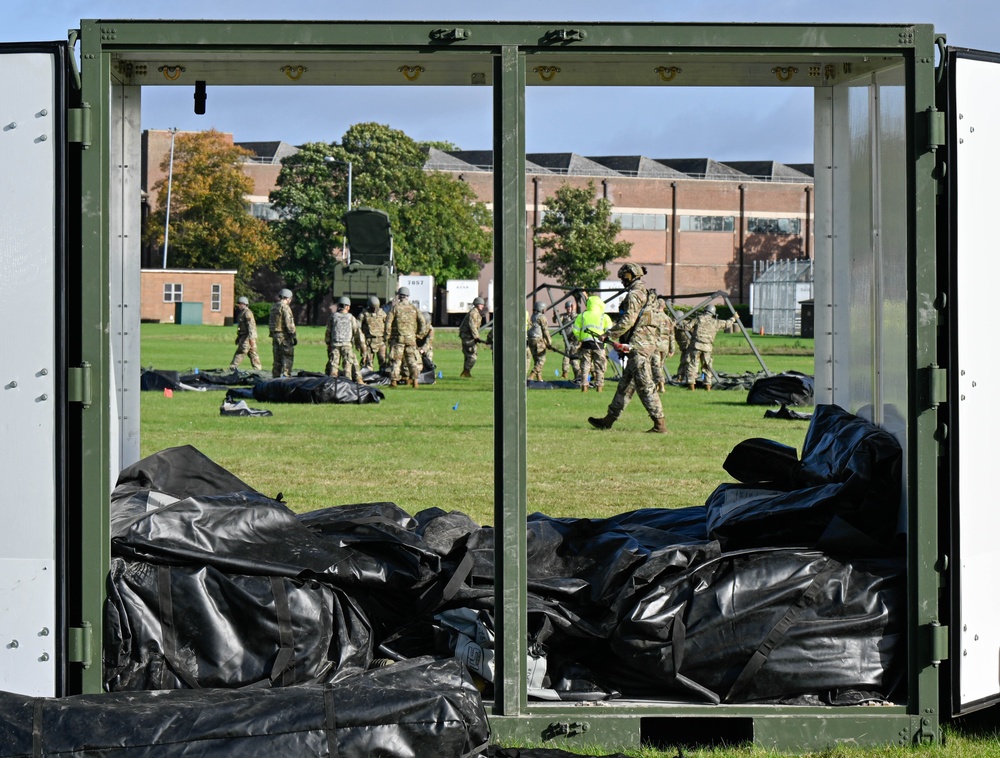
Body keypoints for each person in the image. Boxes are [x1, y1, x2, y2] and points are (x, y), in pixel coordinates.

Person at [587, 263, 667, 433]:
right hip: (642, 344)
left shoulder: (634, 294)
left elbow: (628, 321)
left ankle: (660, 424)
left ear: (630, 275)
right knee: (624, 386)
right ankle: (608, 420)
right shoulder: (647, 294)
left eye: (623, 276)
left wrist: (608, 335)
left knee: (645, 386)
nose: (622, 280)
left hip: (638, 347)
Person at [684, 303, 740, 390]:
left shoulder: (698, 319)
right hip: (707, 348)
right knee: (706, 367)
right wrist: (734, 318)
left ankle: (691, 385)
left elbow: (686, 327)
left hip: (696, 346)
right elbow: (727, 324)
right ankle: (707, 385)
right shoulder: (715, 322)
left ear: (705, 311)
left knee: (693, 365)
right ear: (713, 313)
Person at [384, 286, 428, 388]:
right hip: (411, 339)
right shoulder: (414, 308)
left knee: (396, 360)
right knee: (411, 360)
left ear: (399, 296)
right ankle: (415, 381)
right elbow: (423, 322)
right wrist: (419, 335)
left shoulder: (395, 308)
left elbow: (388, 323)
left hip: (398, 339)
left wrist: (387, 336)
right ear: (408, 296)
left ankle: (394, 381)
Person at [573, 294, 612, 392]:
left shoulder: (582, 315)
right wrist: (605, 343)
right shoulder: (604, 317)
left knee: (585, 366)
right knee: (599, 367)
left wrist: (581, 338)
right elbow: (610, 331)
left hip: (586, 344)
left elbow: (576, 330)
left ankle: (584, 387)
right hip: (599, 345)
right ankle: (599, 388)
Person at [325, 296, 365, 382]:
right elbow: (357, 332)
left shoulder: (333, 317)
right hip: (347, 345)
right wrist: (360, 345)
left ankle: (333, 385)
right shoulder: (351, 318)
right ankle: (348, 384)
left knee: (334, 366)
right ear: (347, 306)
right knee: (347, 366)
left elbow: (328, 332)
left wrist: (328, 343)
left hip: (335, 345)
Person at [268, 288, 296, 378]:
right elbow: (289, 323)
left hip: (275, 336)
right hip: (284, 337)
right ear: (288, 298)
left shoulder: (274, 307)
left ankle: (275, 378)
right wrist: (293, 335)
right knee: (287, 357)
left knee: (277, 359)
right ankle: (286, 377)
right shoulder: (285, 307)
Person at [650, 296, 675, 393]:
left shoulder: (654, 317)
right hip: (665, 346)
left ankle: (661, 385)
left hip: (656, 344)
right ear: (664, 307)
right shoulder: (668, 319)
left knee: (655, 366)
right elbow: (672, 335)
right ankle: (657, 386)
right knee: (660, 366)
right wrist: (672, 349)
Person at [229, 296, 261, 371]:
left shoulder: (247, 313)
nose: (238, 306)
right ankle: (258, 369)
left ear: (244, 304)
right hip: (244, 336)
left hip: (247, 337)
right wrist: (238, 337)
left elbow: (251, 327)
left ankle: (233, 367)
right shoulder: (242, 313)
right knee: (253, 353)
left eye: (240, 304)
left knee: (241, 352)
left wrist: (251, 339)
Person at [458, 297, 488, 377]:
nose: (482, 306)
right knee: (472, 355)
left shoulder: (477, 313)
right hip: (467, 337)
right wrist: (477, 337)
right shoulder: (474, 313)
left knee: (468, 355)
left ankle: (466, 372)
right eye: (481, 304)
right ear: (477, 305)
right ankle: (466, 371)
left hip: (469, 336)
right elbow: (472, 326)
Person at [360, 295, 387, 373]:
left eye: (376, 308)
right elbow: (358, 326)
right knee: (368, 361)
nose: (374, 309)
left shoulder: (382, 314)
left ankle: (383, 374)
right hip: (369, 341)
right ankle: (368, 375)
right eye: (372, 308)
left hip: (381, 341)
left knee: (383, 359)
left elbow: (387, 325)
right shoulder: (364, 314)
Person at [526, 301, 552, 382]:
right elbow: (545, 331)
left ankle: (539, 378)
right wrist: (549, 342)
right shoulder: (542, 317)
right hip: (538, 340)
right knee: (541, 360)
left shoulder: (533, 316)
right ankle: (532, 375)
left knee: (536, 360)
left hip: (531, 339)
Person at [557, 299, 581, 382]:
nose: (568, 309)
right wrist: (555, 314)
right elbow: (556, 320)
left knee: (571, 356)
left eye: (569, 307)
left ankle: (576, 374)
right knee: (567, 355)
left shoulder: (576, 316)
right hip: (567, 339)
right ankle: (565, 373)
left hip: (574, 340)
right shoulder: (564, 316)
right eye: (566, 307)